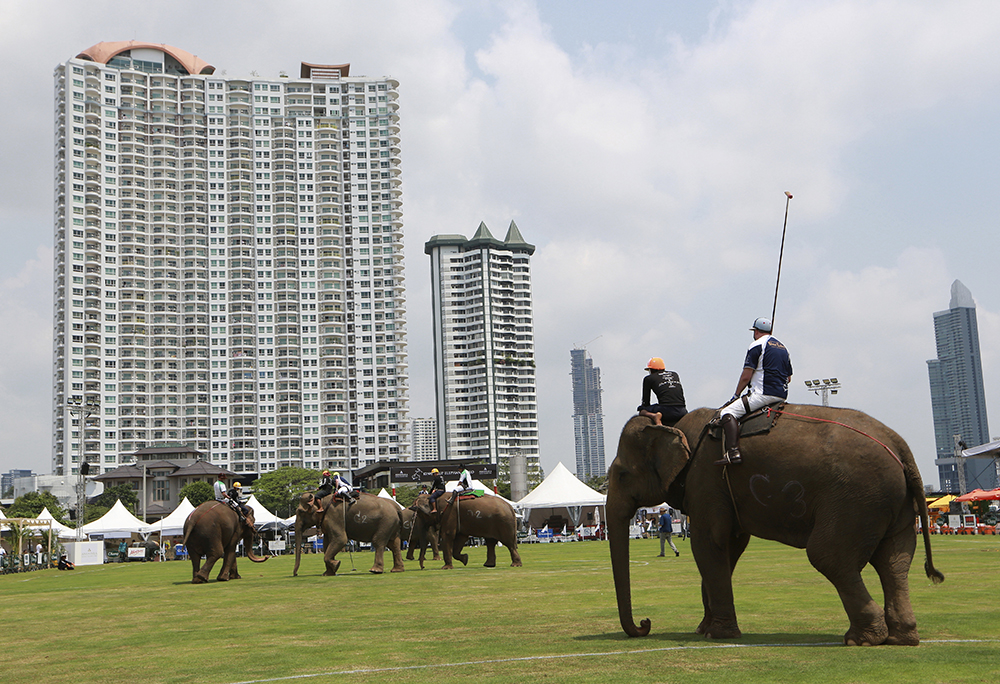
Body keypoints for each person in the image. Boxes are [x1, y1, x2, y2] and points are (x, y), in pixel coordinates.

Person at [716, 317, 793, 466]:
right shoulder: (784, 348)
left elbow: (746, 376)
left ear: (756, 331)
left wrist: (736, 395)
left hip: (763, 395)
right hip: (781, 395)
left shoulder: (756, 345)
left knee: (727, 413)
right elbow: (788, 378)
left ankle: (733, 453)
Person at [637, 358, 687, 427]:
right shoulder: (674, 374)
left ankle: (654, 416)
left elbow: (646, 402)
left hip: (666, 411)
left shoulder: (649, 378)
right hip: (682, 410)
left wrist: (643, 408)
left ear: (651, 370)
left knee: (642, 411)